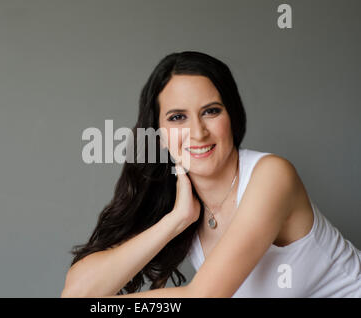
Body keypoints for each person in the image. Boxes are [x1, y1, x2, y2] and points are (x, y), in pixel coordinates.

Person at [61, 51, 361, 298]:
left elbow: (203, 297)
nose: (198, 132)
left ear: (233, 117)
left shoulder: (271, 175)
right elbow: (77, 293)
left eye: (211, 111)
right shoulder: (177, 199)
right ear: (159, 134)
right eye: (178, 117)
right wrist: (176, 220)